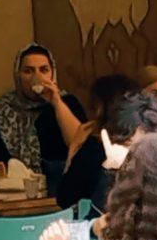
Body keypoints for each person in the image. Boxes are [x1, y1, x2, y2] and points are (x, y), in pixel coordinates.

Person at [0, 43, 86, 195]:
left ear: (52, 74)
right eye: (28, 71)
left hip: (61, 192)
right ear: (18, 76)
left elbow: (80, 144)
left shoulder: (67, 103)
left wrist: (56, 102)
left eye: (44, 70)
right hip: (10, 194)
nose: (37, 77)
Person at [55, 74, 136, 211]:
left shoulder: (95, 147)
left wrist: (74, 148)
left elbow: (65, 199)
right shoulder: (148, 143)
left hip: (101, 221)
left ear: (100, 108)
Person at [86, 90, 157, 214]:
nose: (132, 154)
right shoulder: (114, 168)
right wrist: (111, 171)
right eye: (127, 145)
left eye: (142, 147)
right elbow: (95, 221)